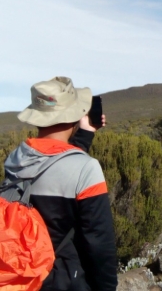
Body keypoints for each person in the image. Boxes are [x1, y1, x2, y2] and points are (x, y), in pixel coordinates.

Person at [3, 76, 117, 290]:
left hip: (22, 279)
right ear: (75, 116)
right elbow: (100, 244)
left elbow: (52, 163)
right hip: (64, 282)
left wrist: (83, 137)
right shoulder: (86, 169)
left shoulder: (15, 160)